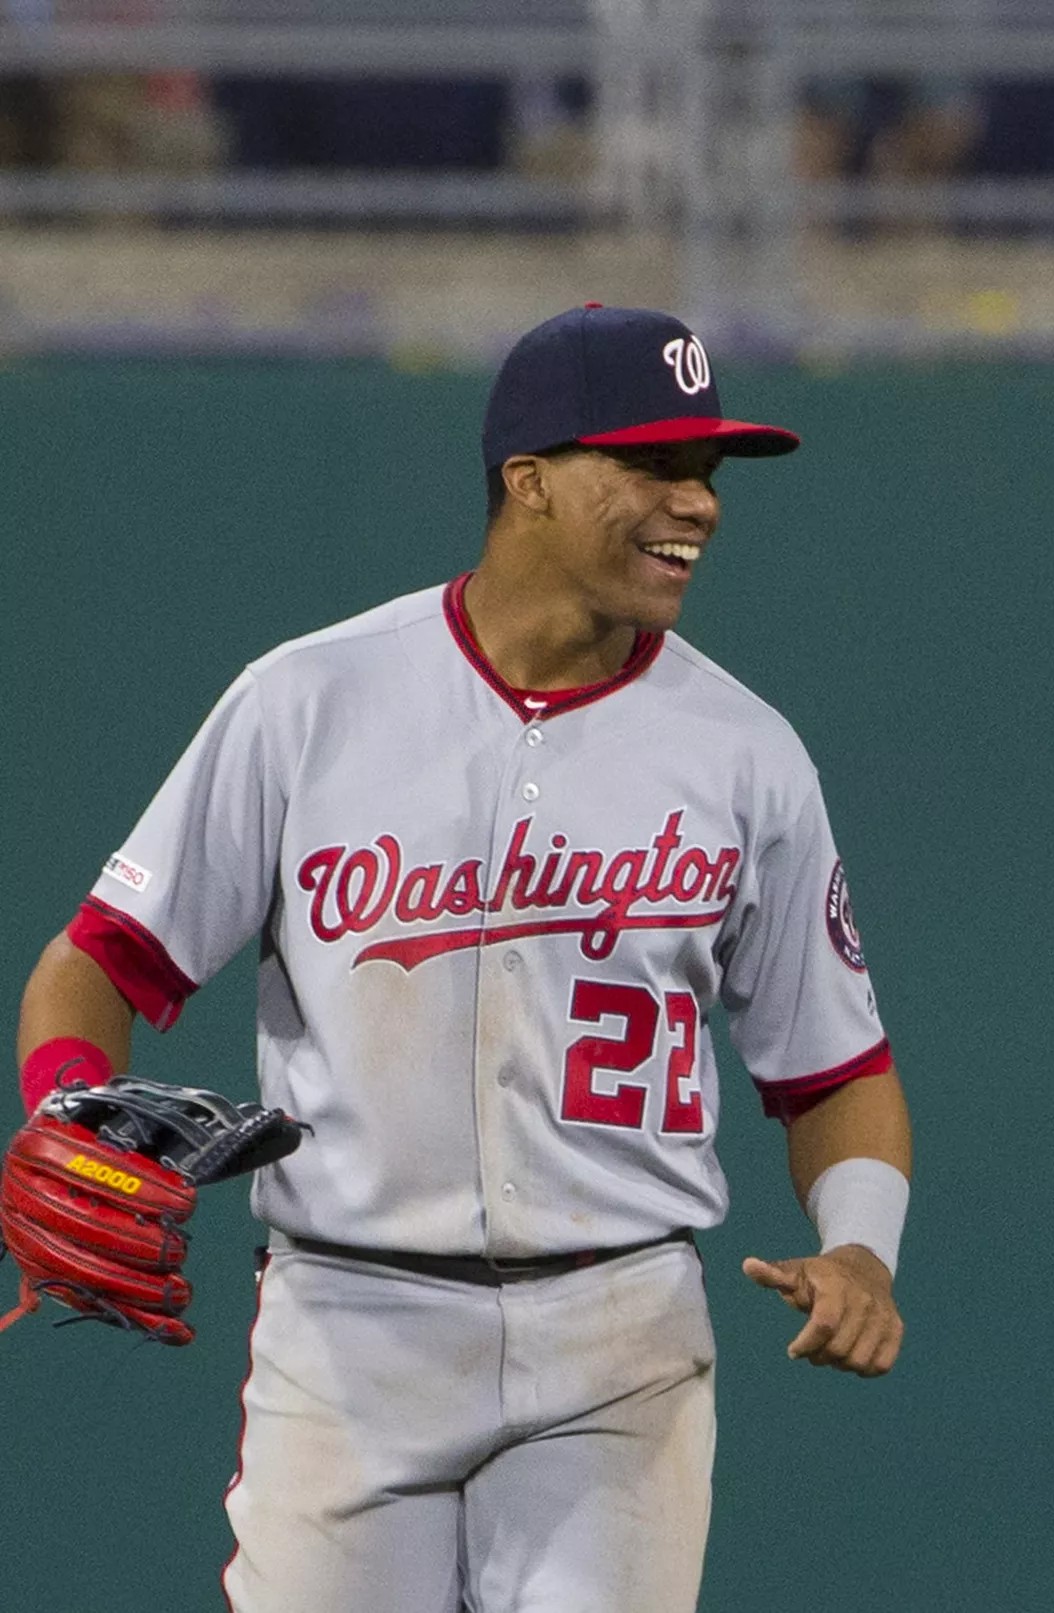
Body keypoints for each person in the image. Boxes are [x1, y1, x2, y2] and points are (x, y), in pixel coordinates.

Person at [13, 304, 914, 1613]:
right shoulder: (309, 702)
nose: (696, 503)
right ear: (528, 481)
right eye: (653, 465)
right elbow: (103, 959)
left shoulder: (745, 753)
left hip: (621, 1335)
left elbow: (835, 1065)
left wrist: (863, 1248)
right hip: (349, 1325)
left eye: (707, 473)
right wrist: (62, 1101)